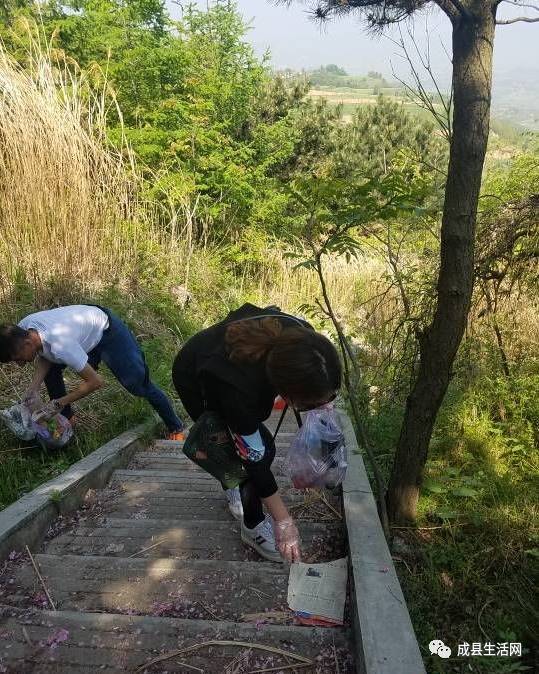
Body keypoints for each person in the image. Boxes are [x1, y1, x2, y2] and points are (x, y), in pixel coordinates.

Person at [172, 303, 341, 564]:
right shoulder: (238, 393)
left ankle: (233, 485)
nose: (313, 409)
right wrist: (284, 522)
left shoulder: (303, 339)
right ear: (284, 391)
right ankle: (252, 526)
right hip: (195, 376)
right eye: (307, 404)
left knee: (260, 448)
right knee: (246, 456)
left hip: (228, 361)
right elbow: (254, 459)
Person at [0, 305, 184, 440]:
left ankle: (176, 428)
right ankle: (68, 422)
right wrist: (33, 388)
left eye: (18, 359)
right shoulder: (23, 329)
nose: (20, 365)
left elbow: (96, 382)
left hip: (107, 332)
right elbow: (44, 355)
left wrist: (58, 403)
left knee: (137, 384)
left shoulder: (60, 345)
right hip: (81, 334)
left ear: (27, 344)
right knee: (51, 372)